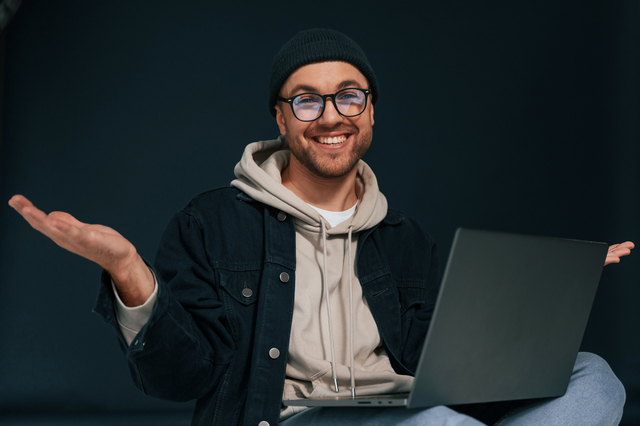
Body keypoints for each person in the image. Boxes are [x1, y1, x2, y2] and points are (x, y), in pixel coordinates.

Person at [8, 29, 635, 426]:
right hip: (297, 418)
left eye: (349, 96)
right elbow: (181, 377)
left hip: (409, 408)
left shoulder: (404, 237)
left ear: (370, 113)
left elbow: (443, 358)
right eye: (306, 99)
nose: (329, 115)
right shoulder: (211, 222)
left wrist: (542, 294)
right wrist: (127, 270)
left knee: (594, 378)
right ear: (282, 120)